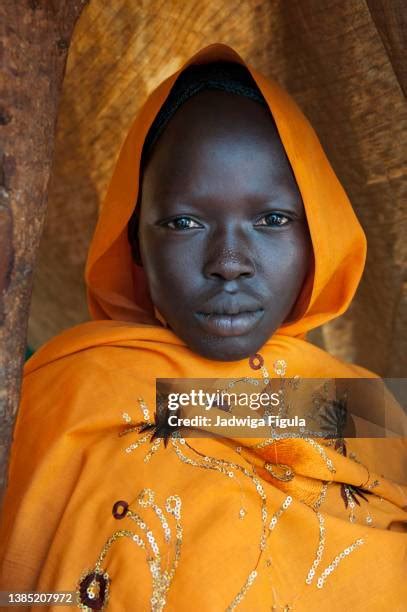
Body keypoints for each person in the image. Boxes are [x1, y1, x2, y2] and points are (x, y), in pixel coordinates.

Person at [0, 43, 406, 611]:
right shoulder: (63, 396)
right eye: (185, 221)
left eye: (271, 219)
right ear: (135, 239)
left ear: (317, 233)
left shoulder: (371, 409)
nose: (229, 261)